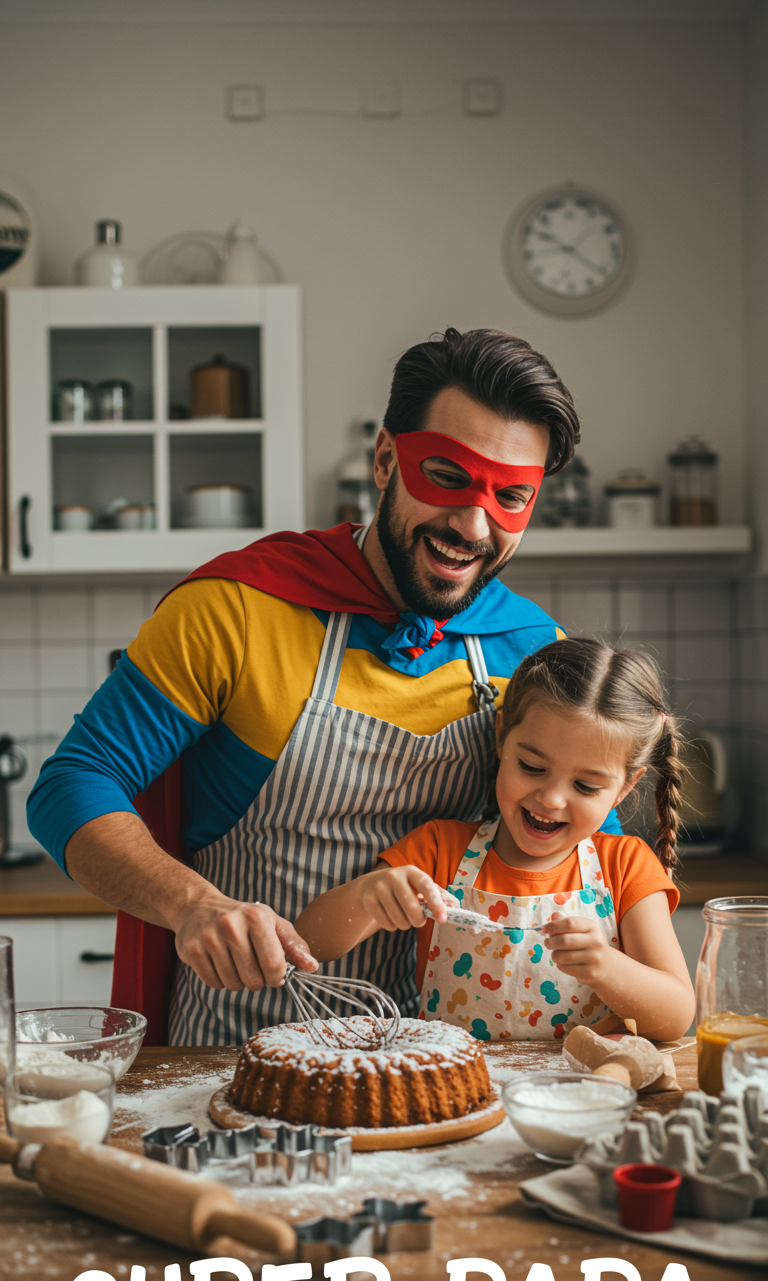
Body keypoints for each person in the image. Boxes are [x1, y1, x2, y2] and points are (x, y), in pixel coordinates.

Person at [28, 327, 621, 1045]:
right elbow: (72, 783)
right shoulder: (236, 610)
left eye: (511, 497)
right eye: (446, 475)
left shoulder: (534, 652)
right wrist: (193, 905)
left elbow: (595, 864)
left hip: (450, 1059)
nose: (473, 524)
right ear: (383, 460)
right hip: (233, 1053)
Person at [296, 638, 695, 1041]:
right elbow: (312, 942)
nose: (551, 798)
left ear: (625, 787)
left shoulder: (626, 866)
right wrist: (367, 896)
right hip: (453, 1088)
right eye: (532, 766)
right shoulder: (437, 850)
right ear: (502, 734)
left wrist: (608, 968)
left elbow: (676, 1017)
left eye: (586, 786)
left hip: (579, 1095)